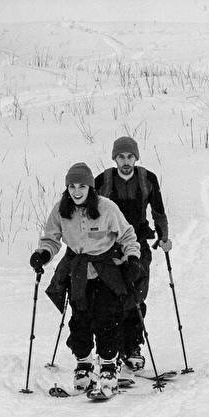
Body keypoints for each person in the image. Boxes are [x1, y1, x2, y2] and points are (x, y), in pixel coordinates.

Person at [30, 162, 143, 398]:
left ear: (91, 187)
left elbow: (128, 235)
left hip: (107, 271)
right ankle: (84, 367)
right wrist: (42, 254)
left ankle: (109, 368)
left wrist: (132, 258)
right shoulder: (61, 209)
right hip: (78, 271)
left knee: (107, 319)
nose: (77, 191)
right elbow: (51, 239)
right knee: (79, 320)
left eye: (82, 186)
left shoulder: (106, 208)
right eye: (72, 186)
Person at [95, 136, 170, 373]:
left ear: (136, 157)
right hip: (110, 246)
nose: (125, 161)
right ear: (114, 158)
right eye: (121, 157)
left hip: (139, 243)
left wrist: (163, 236)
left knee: (137, 296)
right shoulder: (103, 181)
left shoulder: (147, 179)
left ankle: (133, 347)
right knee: (112, 297)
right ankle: (112, 351)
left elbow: (158, 211)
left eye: (129, 157)